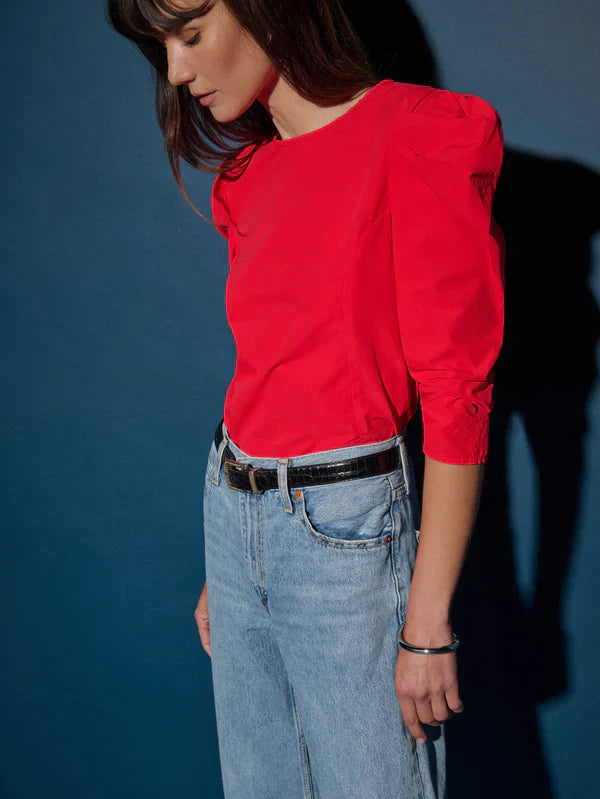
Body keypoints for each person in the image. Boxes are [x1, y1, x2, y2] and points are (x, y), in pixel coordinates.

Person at [107, 1, 505, 797]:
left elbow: (456, 390)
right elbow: (272, 369)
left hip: (345, 533)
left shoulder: (418, 134)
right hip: (235, 512)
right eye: (161, 47)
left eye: (190, 34)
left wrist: (428, 622)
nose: (176, 71)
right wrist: (240, 559)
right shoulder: (245, 181)